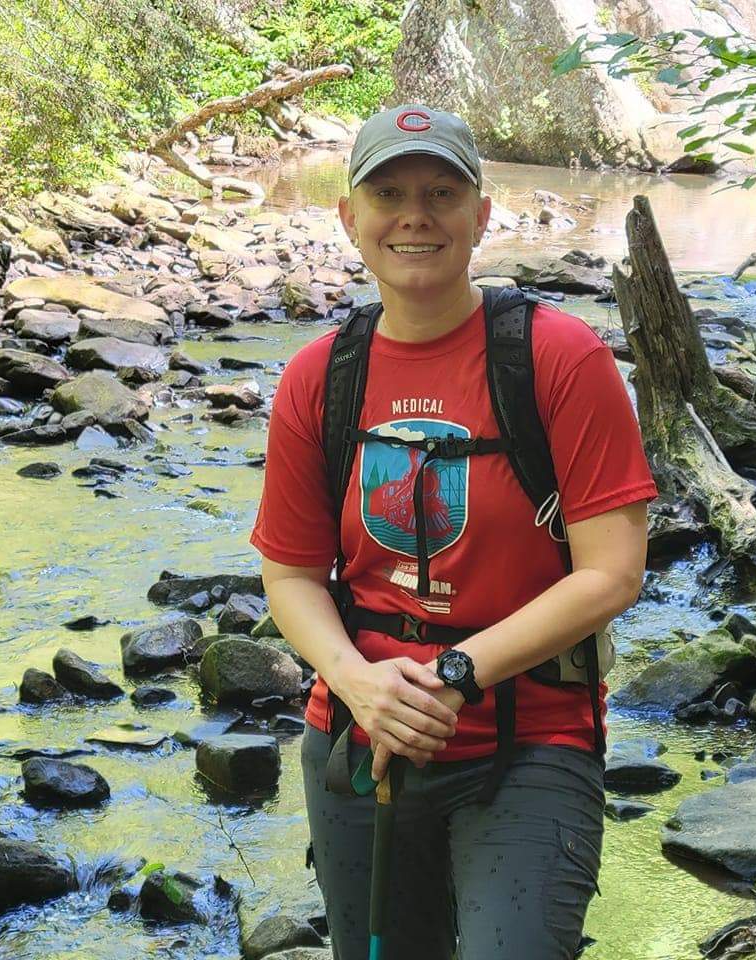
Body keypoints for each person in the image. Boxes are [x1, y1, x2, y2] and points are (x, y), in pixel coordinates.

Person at [250, 103, 658, 960]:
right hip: (361, 738)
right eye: (388, 192)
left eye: (442, 192)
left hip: (532, 737)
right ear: (349, 218)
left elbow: (613, 575)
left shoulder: (560, 358)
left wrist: (457, 674)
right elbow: (289, 576)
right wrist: (358, 685)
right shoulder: (318, 379)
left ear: (481, 214)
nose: (415, 215)